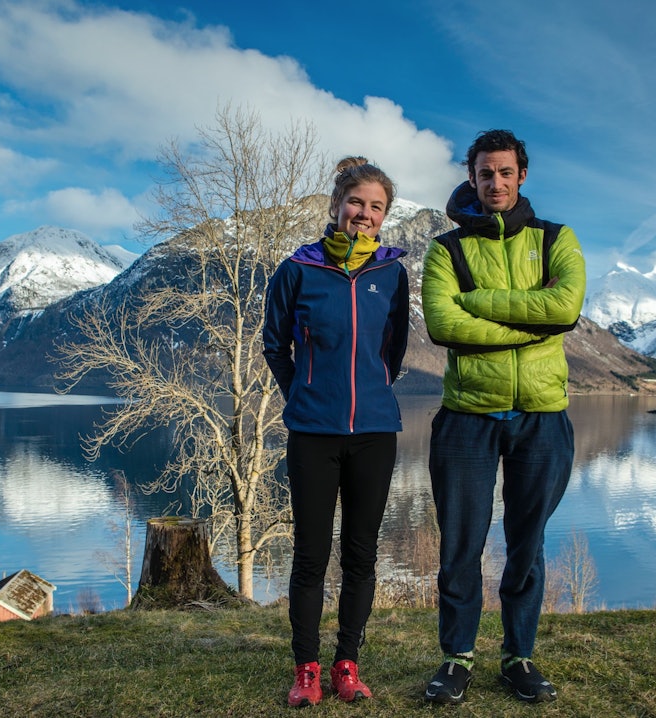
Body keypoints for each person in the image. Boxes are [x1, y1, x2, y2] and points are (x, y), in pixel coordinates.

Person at [420, 129, 585, 705]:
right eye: (485, 173)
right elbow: (443, 324)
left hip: (542, 416)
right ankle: (456, 659)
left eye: (505, 172)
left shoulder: (556, 238)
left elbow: (565, 306)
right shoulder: (446, 249)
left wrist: (477, 303)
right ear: (471, 177)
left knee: (527, 543)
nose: (495, 182)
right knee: (459, 545)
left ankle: (519, 657)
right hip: (467, 415)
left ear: (522, 176)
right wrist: (532, 328)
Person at [263, 157, 410, 708]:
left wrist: (374, 390)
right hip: (313, 433)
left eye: (376, 207)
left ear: (384, 215)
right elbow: (275, 343)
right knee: (310, 555)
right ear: (336, 205)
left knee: (361, 555)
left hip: (375, 433)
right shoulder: (297, 270)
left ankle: (347, 664)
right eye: (356, 202)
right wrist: (302, 393)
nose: (365, 214)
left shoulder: (392, 275)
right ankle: (306, 669)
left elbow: (393, 349)